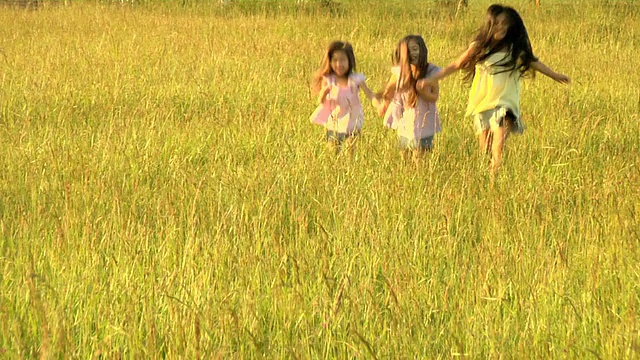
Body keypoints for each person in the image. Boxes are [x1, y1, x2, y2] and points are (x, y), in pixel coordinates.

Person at [421, 4, 570, 176]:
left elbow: (533, 62)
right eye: (498, 24)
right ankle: (485, 179)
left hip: (505, 104)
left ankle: (494, 182)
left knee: (498, 147)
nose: (502, 28)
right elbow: (457, 64)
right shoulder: (479, 47)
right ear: (490, 24)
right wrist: (431, 79)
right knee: (485, 149)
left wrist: (555, 75)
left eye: (505, 25)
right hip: (482, 105)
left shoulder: (515, 50)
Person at [376, 35, 441, 160]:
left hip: (424, 122)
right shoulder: (399, 72)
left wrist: (421, 90)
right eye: (408, 50)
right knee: (404, 157)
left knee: (419, 157)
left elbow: (434, 96)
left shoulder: (431, 72)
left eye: (415, 49)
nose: (413, 53)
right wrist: (383, 106)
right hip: (405, 122)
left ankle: (421, 177)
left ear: (422, 50)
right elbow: (389, 90)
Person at [310, 41, 377, 153]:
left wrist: (378, 103)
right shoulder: (328, 80)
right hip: (334, 122)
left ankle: (349, 168)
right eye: (335, 60)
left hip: (352, 122)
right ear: (330, 62)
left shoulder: (356, 79)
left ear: (350, 61)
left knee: (350, 150)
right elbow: (320, 101)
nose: (339, 64)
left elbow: (369, 93)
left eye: (343, 60)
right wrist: (324, 92)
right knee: (333, 151)